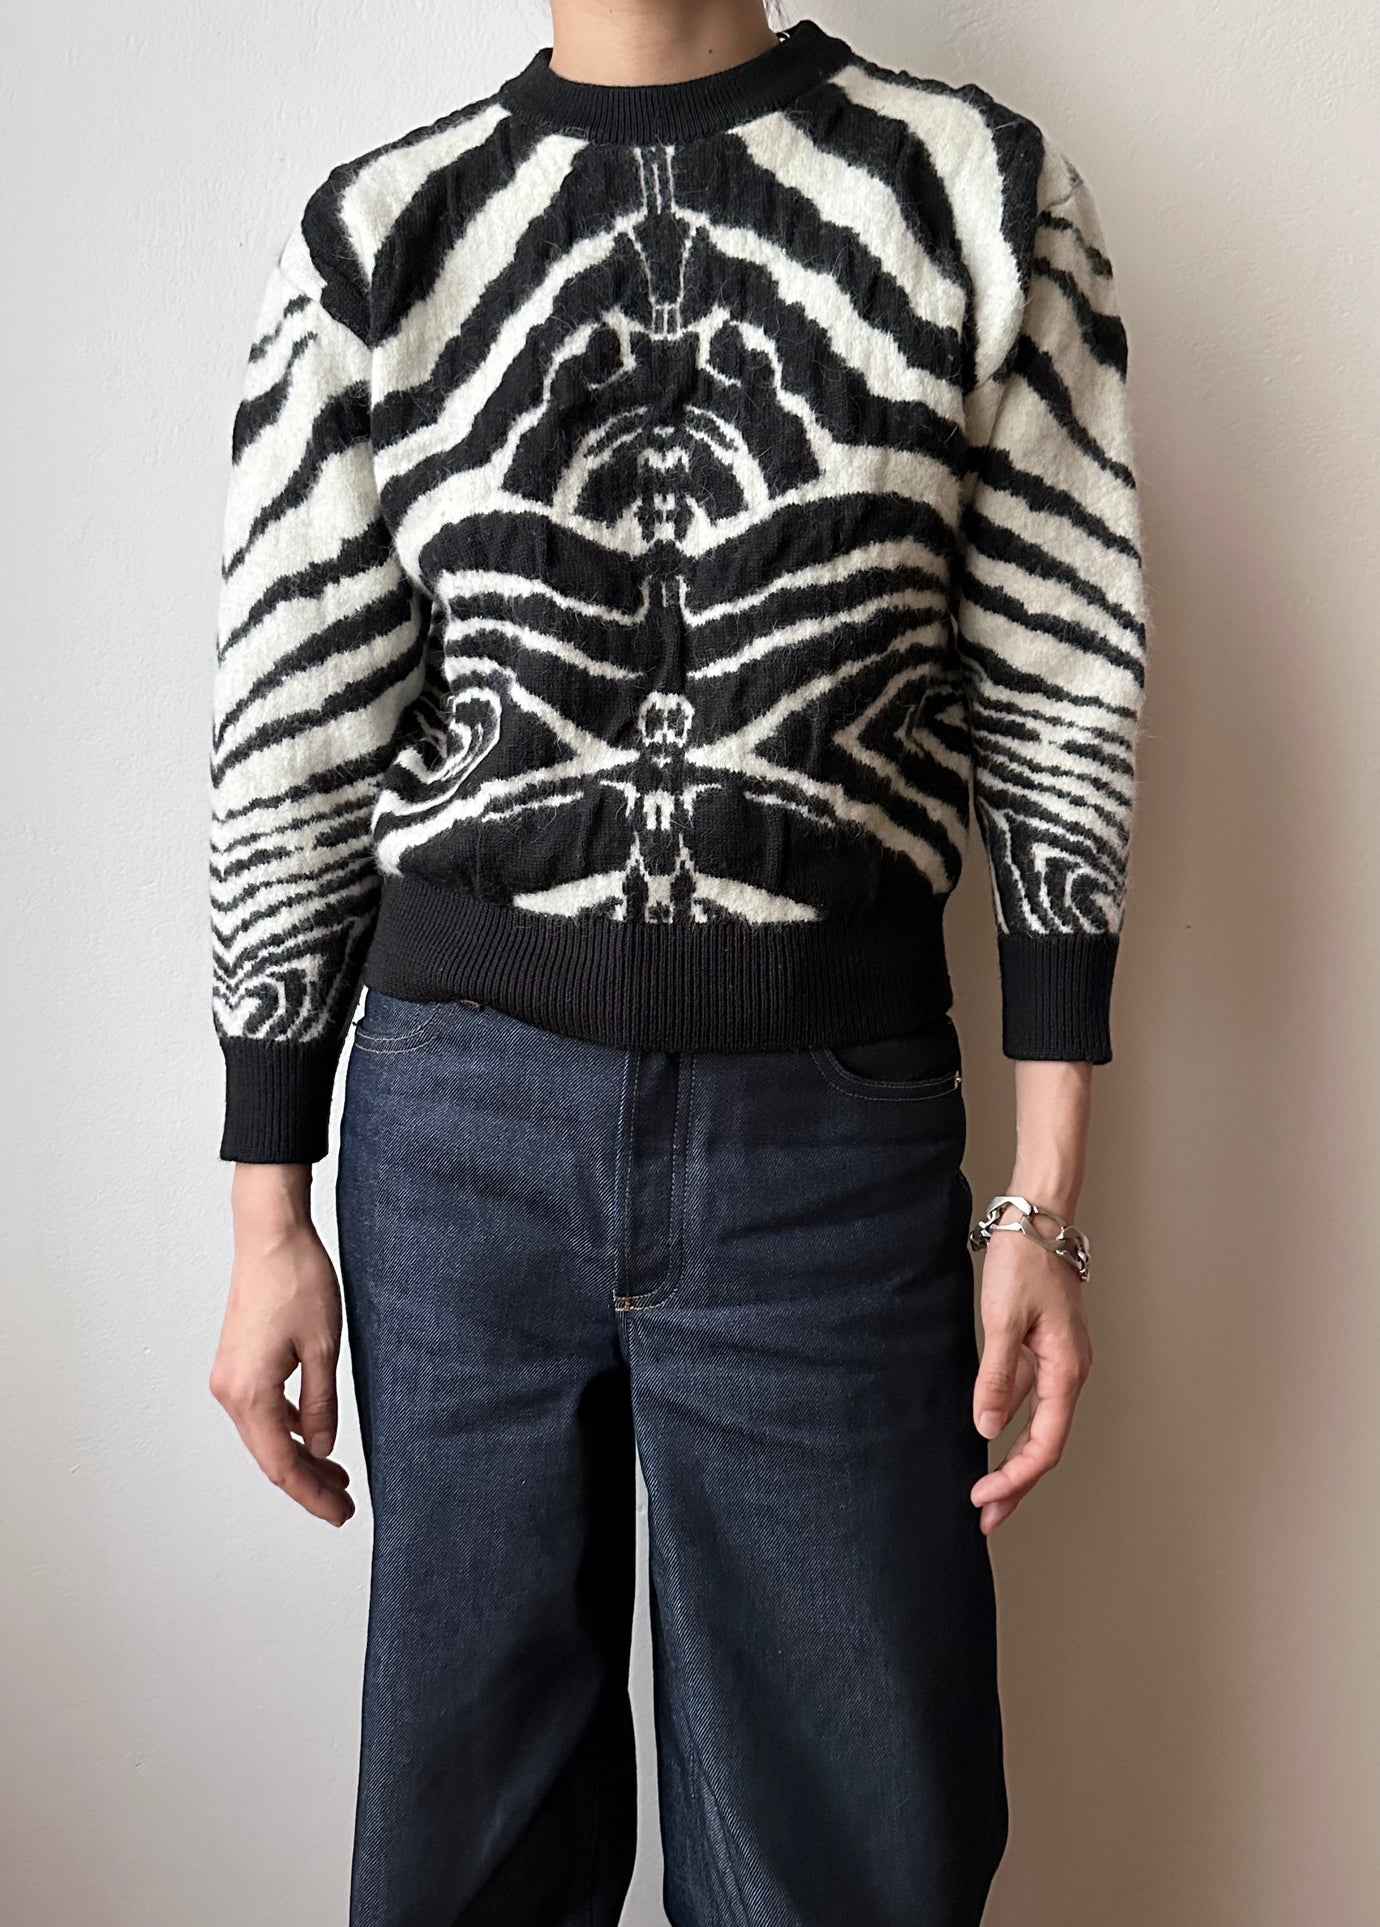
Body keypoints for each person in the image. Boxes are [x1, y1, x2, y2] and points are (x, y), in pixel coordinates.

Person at [206, 3, 1148, 1921]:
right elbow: (291, 728)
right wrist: (264, 1209)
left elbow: (1062, 684)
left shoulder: (973, 197)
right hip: (456, 1136)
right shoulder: (380, 236)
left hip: (832, 1140)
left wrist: (1045, 1203)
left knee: (848, 1855)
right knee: (467, 1850)